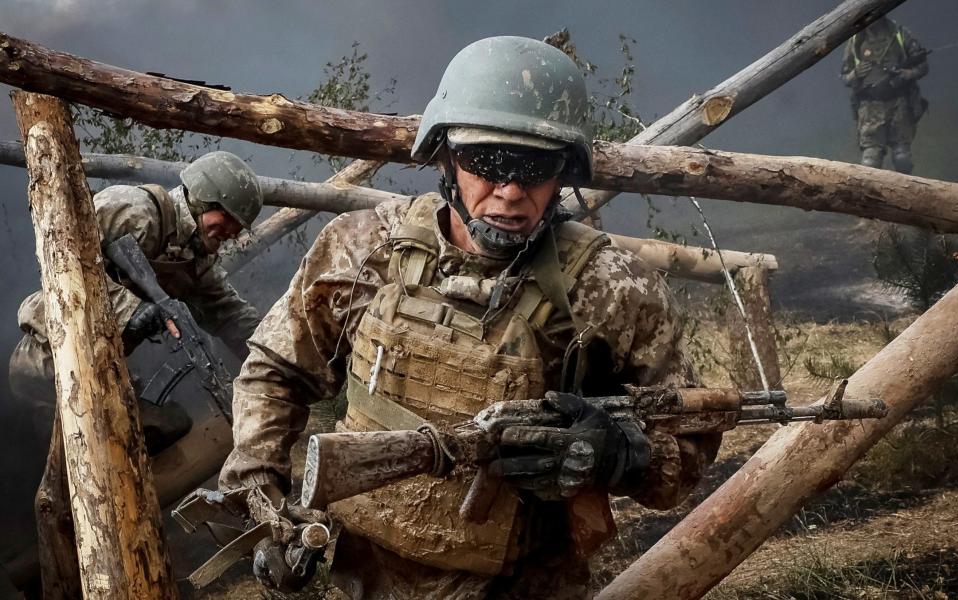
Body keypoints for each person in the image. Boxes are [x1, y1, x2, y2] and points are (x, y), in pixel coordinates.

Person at [220, 36, 720, 599]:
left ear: (565, 174)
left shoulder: (614, 287)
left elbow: (689, 447)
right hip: (359, 576)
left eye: (535, 168)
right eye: (488, 163)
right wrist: (263, 499)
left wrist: (622, 454)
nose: (509, 191)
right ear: (445, 157)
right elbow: (274, 369)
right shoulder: (363, 249)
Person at [9, 150, 263, 454]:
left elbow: (230, 315)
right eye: (228, 219)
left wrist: (276, 355)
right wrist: (132, 309)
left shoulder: (195, 261)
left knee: (169, 424)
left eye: (237, 226)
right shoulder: (134, 210)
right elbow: (64, 261)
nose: (232, 232)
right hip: (45, 362)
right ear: (204, 198)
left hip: (101, 375)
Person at [841, 17, 929, 173]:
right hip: (870, 107)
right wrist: (856, 73)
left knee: (902, 157)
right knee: (870, 160)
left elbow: (922, 65)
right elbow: (845, 76)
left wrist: (906, 74)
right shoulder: (856, 41)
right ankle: (869, 196)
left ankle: (905, 193)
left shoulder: (900, 34)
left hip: (900, 103)